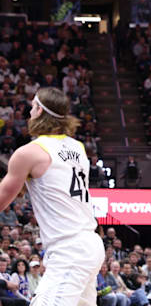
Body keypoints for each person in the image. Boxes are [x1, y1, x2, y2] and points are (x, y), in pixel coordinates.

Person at [0, 88, 105, 305]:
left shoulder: (29, 153)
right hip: (90, 244)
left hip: (70, 249)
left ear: (39, 110)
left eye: (32, 107)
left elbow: (3, 198)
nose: (29, 112)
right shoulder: (78, 148)